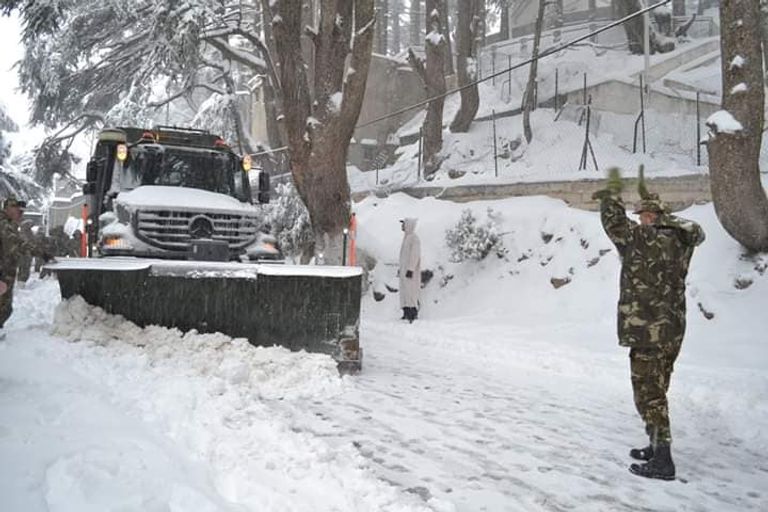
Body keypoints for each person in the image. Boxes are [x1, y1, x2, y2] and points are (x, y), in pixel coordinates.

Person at [593, 168, 705, 481]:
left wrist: (610, 193)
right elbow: (697, 230)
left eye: (643, 215)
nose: (640, 219)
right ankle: (656, 446)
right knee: (659, 387)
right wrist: (666, 218)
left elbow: (613, 222)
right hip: (673, 329)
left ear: (651, 216)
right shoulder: (682, 239)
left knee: (648, 393)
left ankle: (663, 462)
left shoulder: (638, 238)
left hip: (646, 331)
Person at [0, 197, 53, 333]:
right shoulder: (4, 225)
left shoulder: (9, 224)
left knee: (5, 308)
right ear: (8, 208)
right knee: (3, 308)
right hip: (2, 272)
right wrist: (42, 254)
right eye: (18, 210)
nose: (20, 214)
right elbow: (18, 244)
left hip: (6, 271)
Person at [398, 218, 421, 323]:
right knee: (404, 291)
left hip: (410, 271)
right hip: (404, 270)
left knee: (411, 291)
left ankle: (412, 312)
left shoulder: (414, 239)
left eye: (404, 224)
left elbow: (415, 255)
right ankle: (406, 311)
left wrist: (411, 268)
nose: (402, 226)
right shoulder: (406, 238)